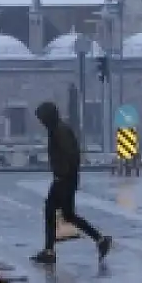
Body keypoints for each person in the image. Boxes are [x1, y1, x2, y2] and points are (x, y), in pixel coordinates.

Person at [31, 102, 112, 264]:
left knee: (51, 210)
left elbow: (69, 155)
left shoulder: (60, 131)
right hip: (66, 178)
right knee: (67, 215)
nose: (41, 122)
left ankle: (49, 251)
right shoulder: (57, 130)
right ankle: (100, 239)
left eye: (42, 118)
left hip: (64, 179)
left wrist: (62, 175)